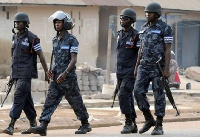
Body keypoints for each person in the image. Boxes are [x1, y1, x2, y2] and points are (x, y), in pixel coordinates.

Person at [28, 11, 92, 136]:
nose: (57, 24)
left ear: (65, 24)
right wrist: (51, 70)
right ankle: (43, 125)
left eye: (59, 22)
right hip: (56, 78)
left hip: (68, 78)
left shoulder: (72, 40)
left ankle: (85, 124)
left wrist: (65, 73)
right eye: (55, 22)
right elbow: (55, 58)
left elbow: (74, 59)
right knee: (49, 101)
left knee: (75, 101)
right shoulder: (55, 40)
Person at [3, 12, 49, 135]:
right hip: (17, 74)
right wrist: (12, 75)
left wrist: (46, 72)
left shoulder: (32, 38)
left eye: (19, 22)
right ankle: (33, 124)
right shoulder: (15, 37)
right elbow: (14, 58)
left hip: (26, 74)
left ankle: (11, 125)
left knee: (18, 97)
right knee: (26, 100)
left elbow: (41, 55)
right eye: (16, 22)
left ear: (25, 24)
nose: (17, 24)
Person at [134, 2, 173, 135]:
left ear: (156, 14)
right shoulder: (143, 28)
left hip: (158, 67)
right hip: (144, 66)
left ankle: (159, 124)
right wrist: (136, 66)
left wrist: (167, 69)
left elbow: (168, 50)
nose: (147, 14)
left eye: (149, 13)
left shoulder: (165, 28)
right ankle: (149, 119)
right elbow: (140, 49)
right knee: (138, 92)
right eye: (146, 12)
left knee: (159, 95)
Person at [116, 8, 140, 134]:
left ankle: (128, 122)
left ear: (131, 20)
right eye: (121, 18)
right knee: (128, 97)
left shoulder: (136, 35)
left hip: (131, 71)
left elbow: (140, 54)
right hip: (120, 71)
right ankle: (134, 123)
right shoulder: (119, 34)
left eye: (125, 18)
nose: (122, 20)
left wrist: (136, 70)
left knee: (123, 95)